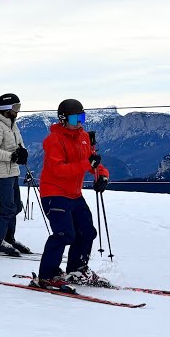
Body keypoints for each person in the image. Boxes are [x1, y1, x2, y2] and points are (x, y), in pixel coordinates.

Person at [34, 98, 110, 292]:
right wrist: (87, 165)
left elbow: (91, 161)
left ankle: (77, 269)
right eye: (76, 117)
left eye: (82, 117)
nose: (80, 122)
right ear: (63, 119)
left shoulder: (83, 137)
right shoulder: (54, 140)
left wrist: (101, 175)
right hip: (54, 193)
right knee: (64, 234)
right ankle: (47, 275)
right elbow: (58, 170)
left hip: (74, 194)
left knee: (87, 232)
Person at [0, 93, 31, 256]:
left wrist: (22, 152)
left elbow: (19, 144)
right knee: (7, 207)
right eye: (15, 107)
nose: (18, 111)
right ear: (6, 109)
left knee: (16, 206)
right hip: (1, 173)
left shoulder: (12, 125)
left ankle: (8, 238)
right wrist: (12, 156)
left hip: (12, 171)